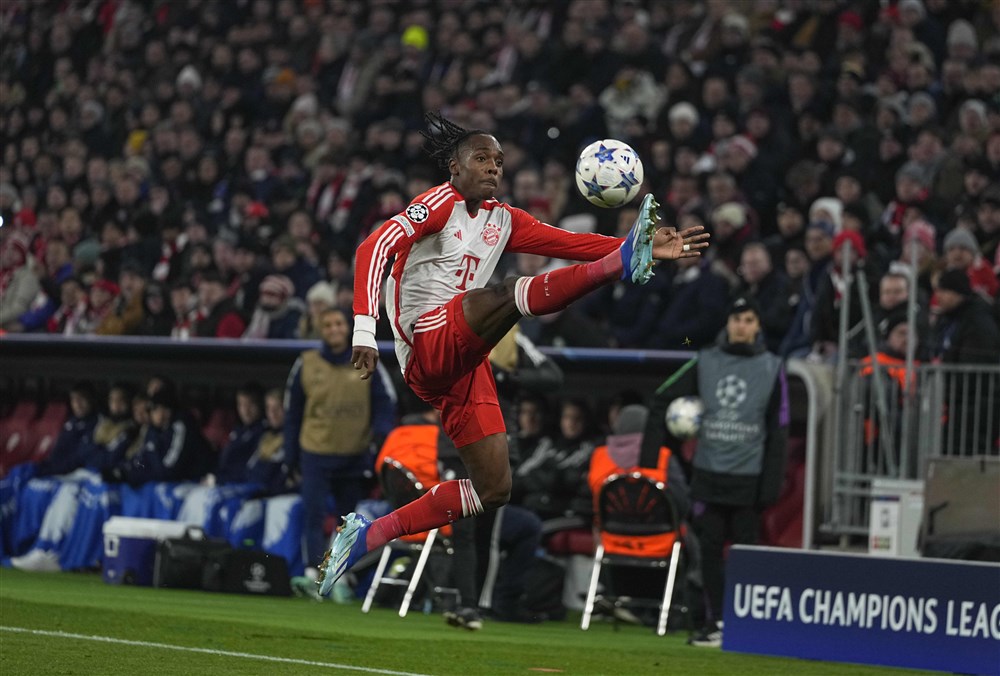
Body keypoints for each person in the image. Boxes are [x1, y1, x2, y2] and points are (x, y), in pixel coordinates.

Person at [318, 113, 709, 594]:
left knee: (493, 489)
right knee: (506, 295)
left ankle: (367, 535)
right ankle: (622, 265)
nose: (492, 168)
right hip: (425, 343)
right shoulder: (439, 203)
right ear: (455, 167)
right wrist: (363, 327)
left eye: (498, 161)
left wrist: (641, 242)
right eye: (481, 158)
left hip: (464, 362)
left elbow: (573, 244)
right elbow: (372, 248)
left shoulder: (504, 220)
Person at [645, 296, 789, 648]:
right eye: (737, 318)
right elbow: (661, 397)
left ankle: (745, 626)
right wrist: (649, 460)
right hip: (708, 476)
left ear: (757, 327)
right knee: (708, 552)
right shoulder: (705, 360)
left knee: (745, 554)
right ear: (728, 324)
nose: (742, 325)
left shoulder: (772, 367)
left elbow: (780, 428)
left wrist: (771, 486)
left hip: (749, 479)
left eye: (749, 319)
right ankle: (714, 623)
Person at [284, 306, 397, 573]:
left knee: (349, 521)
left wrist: (379, 441)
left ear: (348, 327)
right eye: (328, 325)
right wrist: (290, 457)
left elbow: (385, 404)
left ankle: (338, 573)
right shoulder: (306, 363)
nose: (334, 329)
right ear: (321, 331)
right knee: (314, 515)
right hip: (314, 452)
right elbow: (293, 412)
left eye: (338, 324)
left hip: (354, 453)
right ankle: (312, 570)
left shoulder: (368, 358)